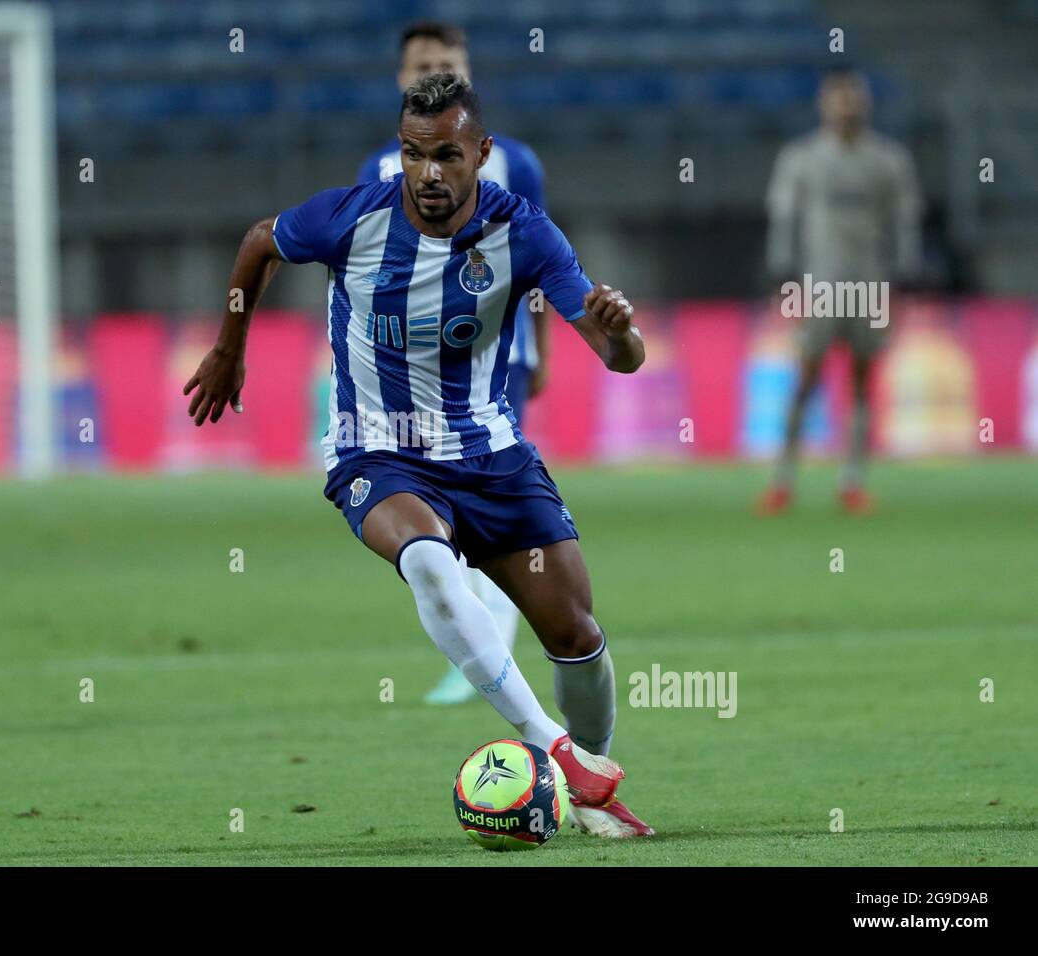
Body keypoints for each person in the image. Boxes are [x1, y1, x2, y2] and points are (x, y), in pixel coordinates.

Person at [184, 74, 652, 837]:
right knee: (429, 562)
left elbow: (618, 356)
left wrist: (622, 329)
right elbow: (259, 241)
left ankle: (588, 778)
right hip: (378, 451)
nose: (428, 173)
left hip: (490, 454)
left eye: (446, 155)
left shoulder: (524, 232)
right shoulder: (353, 217)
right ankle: (558, 753)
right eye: (412, 154)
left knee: (577, 637)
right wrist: (229, 346)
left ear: (480, 155)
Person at [357, 20, 550, 705]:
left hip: (497, 358)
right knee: (433, 504)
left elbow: (541, 259)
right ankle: (480, 642)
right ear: (401, 78)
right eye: (422, 63)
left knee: (483, 499)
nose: (433, 69)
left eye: (447, 61)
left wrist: (541, 346)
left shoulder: (515, 162)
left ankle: (485, 652)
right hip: (409, 370)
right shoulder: (380, 170)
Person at [758, 68, 922, 515]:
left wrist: (903, 282)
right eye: (839, 97)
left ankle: (852, 480)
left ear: (866, 103)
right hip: (819, 285)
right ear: (823, 104)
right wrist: (783, 278)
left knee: (863, 381)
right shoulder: (802, 159)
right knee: (806, 379)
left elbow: (904, 224)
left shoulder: (889, 160)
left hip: (870, 285)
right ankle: (783, 479)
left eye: (854, 97)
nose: (847, 105)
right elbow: (785, 222)